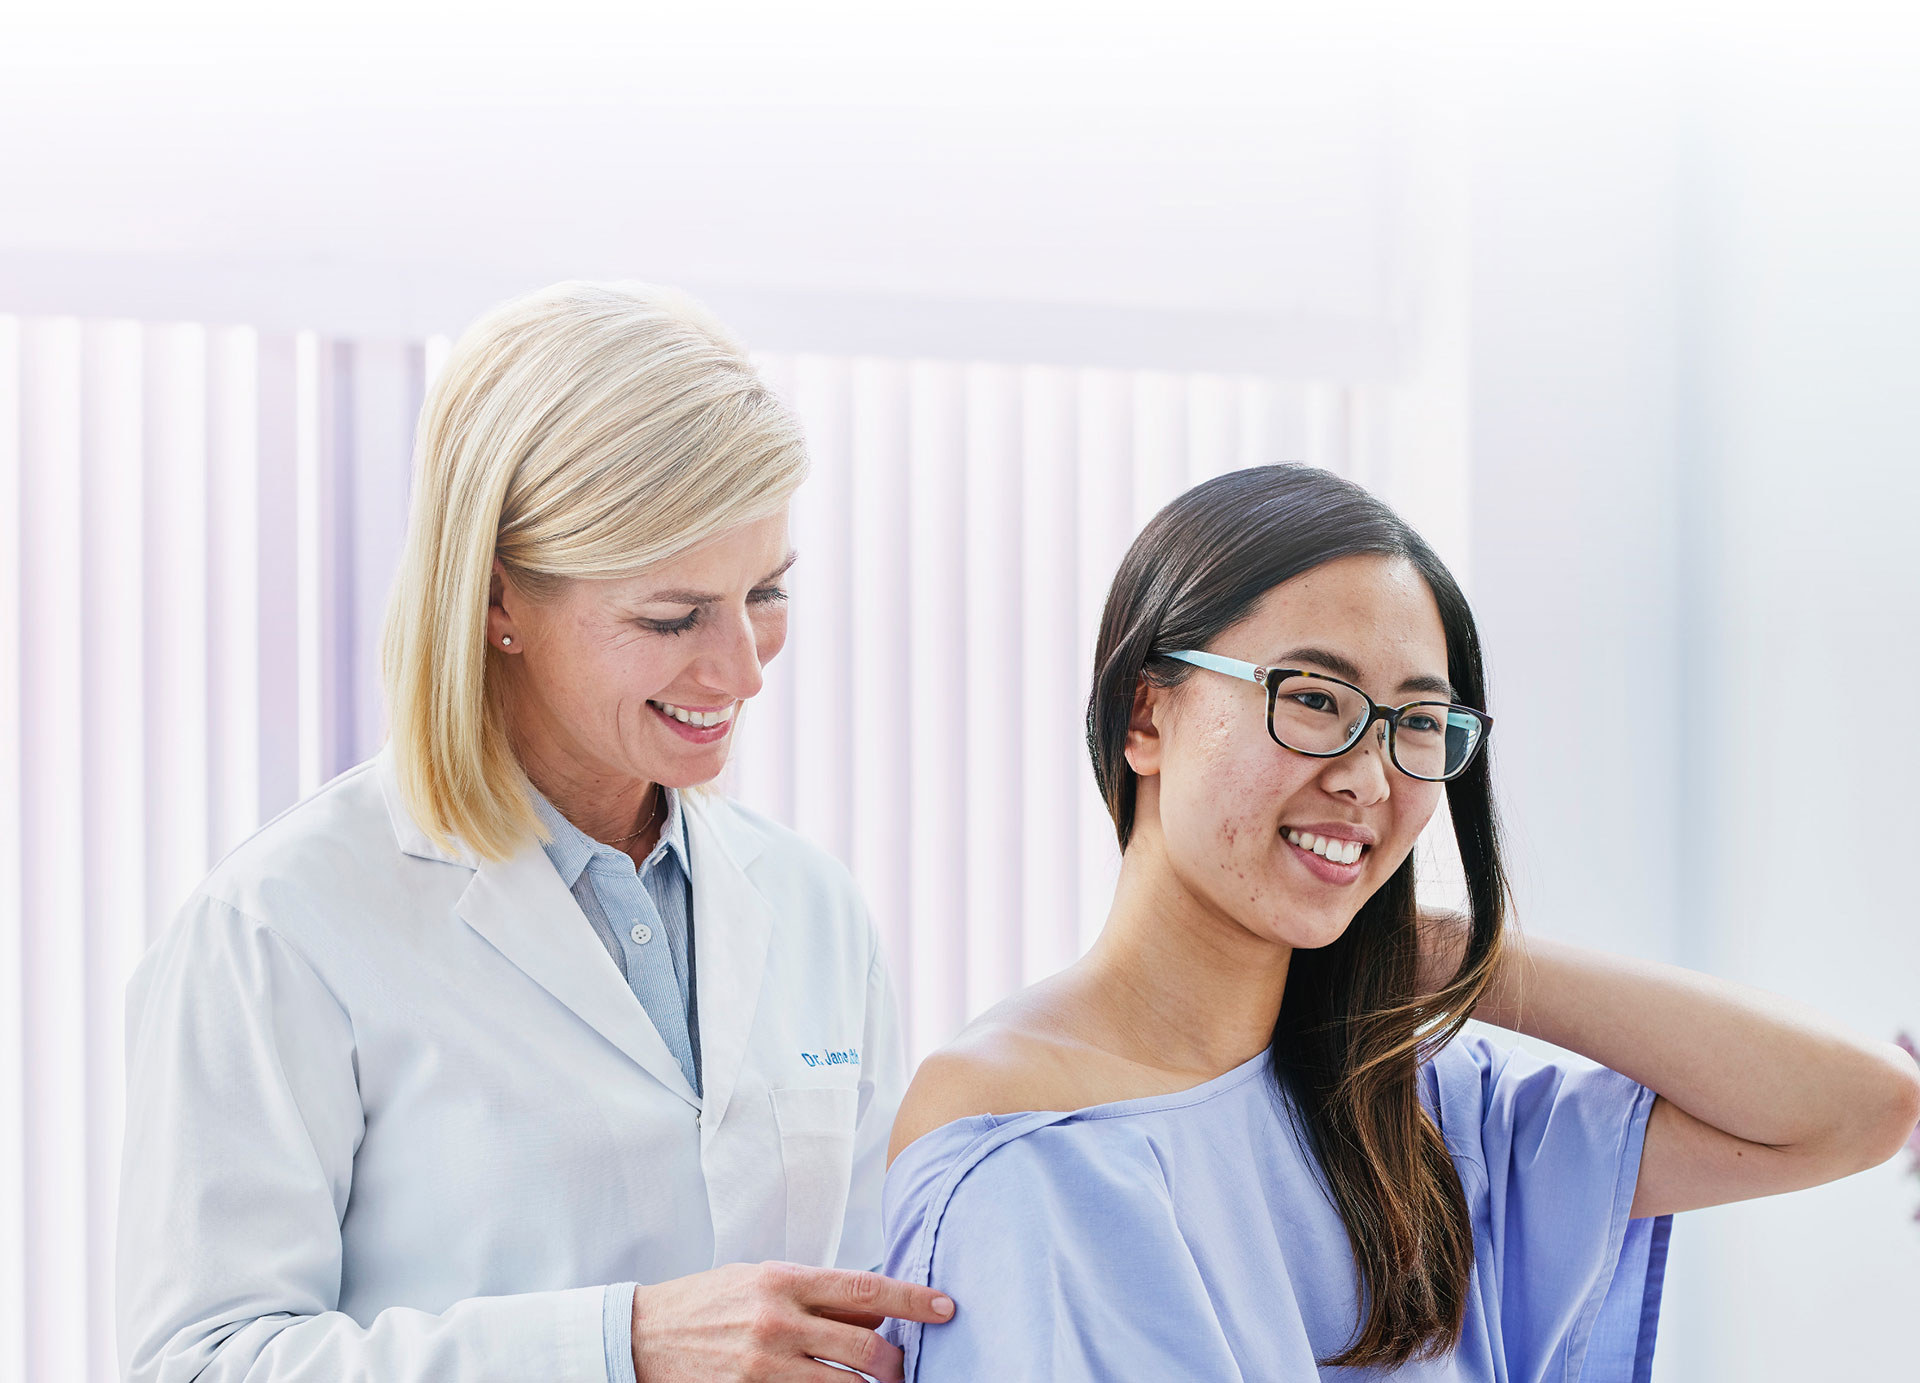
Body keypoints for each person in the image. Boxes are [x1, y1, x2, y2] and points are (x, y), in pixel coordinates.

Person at [880, 465, 1920, 1380]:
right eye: (1317, 698)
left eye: (1418, 722)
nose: (1370, 778)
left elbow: (1859, 1107)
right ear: (1148, 714)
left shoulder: (1417, 1110)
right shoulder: (1014, 1132)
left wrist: (1457, 958)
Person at [118, 281, 953, 1383]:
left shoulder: (810, 904)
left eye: (766, 593)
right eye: (672, 616)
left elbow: (859, 1321)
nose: (743, 670)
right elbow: (199, 1363)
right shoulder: (280, 927)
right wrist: (620, 1347)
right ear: (500, 599)